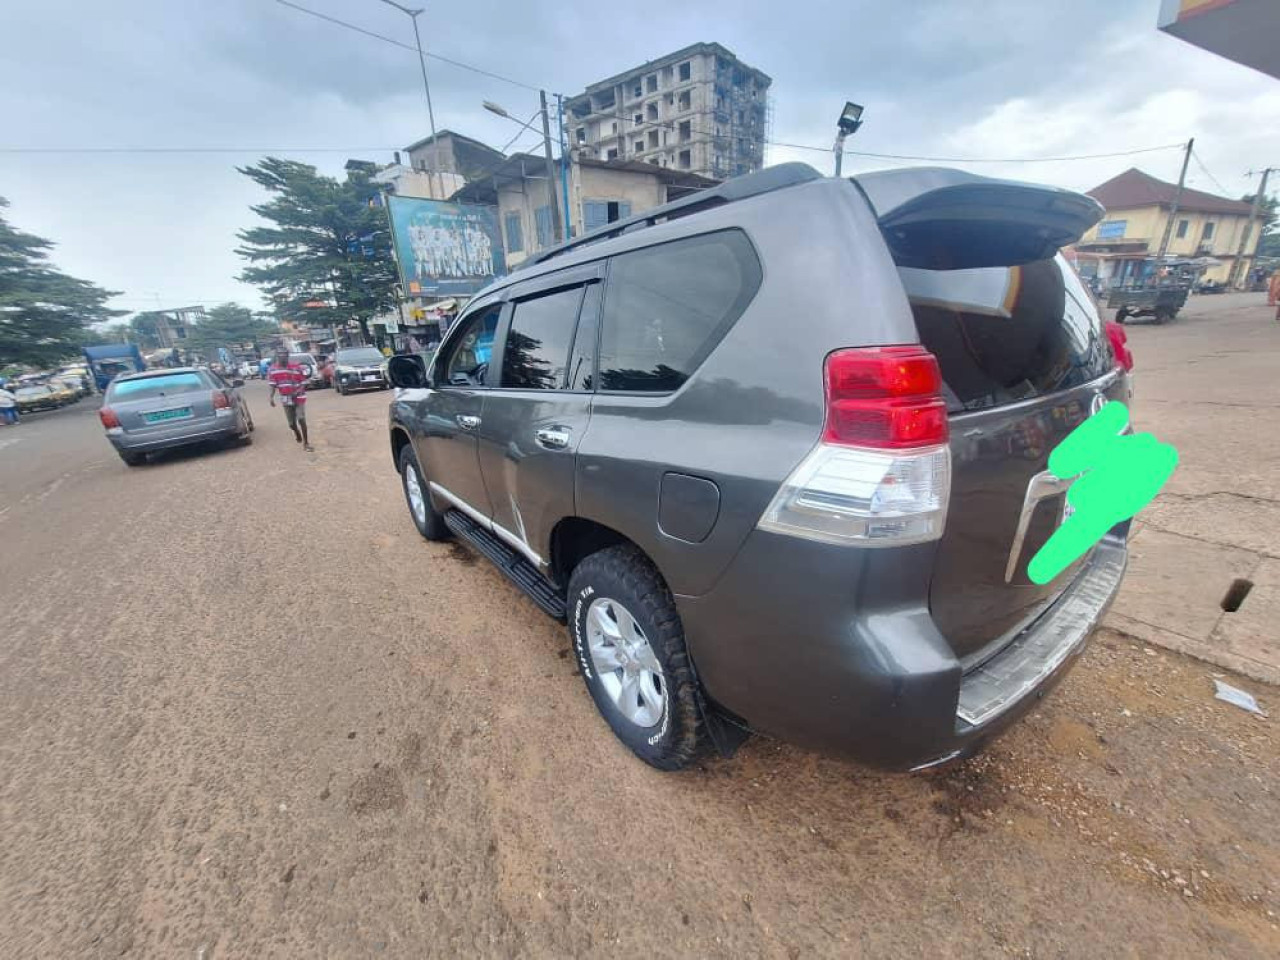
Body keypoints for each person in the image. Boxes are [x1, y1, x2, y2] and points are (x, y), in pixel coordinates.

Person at [267, 347, 312, 451]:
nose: (282, 356)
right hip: (286, 398)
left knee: (301, 418)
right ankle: (296, 432)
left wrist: (297, 391)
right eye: (280, 354)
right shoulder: (273, 370)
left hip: (299, 397)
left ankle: (306, 443)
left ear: (287, 355)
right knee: (291, 424)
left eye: (284, 354)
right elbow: (272, 385)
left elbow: (303, 382)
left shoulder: (296, 367)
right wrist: (271, 397)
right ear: (277, 356)